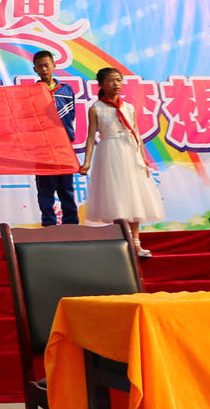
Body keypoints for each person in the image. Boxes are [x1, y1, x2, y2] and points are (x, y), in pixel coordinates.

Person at [79, 67, 164, 257]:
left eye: (118, 80)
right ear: (101, 84)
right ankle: (123, 243)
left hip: (130, 154)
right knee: (116, 198)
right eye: (111, 80)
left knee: (134, 197)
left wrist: (143, 158)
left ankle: (136, 244)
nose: (116, 84)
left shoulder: (129, 108)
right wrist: (87, 162)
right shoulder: (96, 109)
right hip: (109, 153)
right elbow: (91, 138)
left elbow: (137, 134)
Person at [31, 50, 79, 226]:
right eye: (40, 66)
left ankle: (71, 225)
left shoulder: (66, 90)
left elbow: (70, 116)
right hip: (42, 148)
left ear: (54, 65)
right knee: (45, 190)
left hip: (63, 146)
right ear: (35, 69)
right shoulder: (31, 92)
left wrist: (65, 136)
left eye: (47, 65)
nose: (44, 69)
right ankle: (49, 225)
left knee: (66, 188)